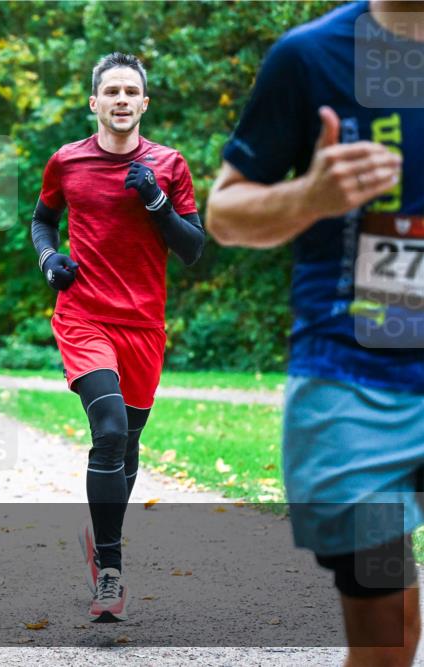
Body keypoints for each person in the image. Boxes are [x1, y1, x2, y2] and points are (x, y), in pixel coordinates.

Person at [206, 2, 423, 663]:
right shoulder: (310, 56)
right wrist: (310, 197)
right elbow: (223, 213)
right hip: (356, 394)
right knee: (389, 632)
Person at [31, 52, 204, 622]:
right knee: (107, 432)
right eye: (113, 92)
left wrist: (156, 201)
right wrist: (49, 258)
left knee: (127, 447)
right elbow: (42, 220)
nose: (122, 99)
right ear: (95, 102)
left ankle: (102, 537)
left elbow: (193, 249)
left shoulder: (169, 165)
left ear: (144, 103)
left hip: (144, 325)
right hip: (83, 316)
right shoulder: (67, 161)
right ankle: (110, 573)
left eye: (132, 91)